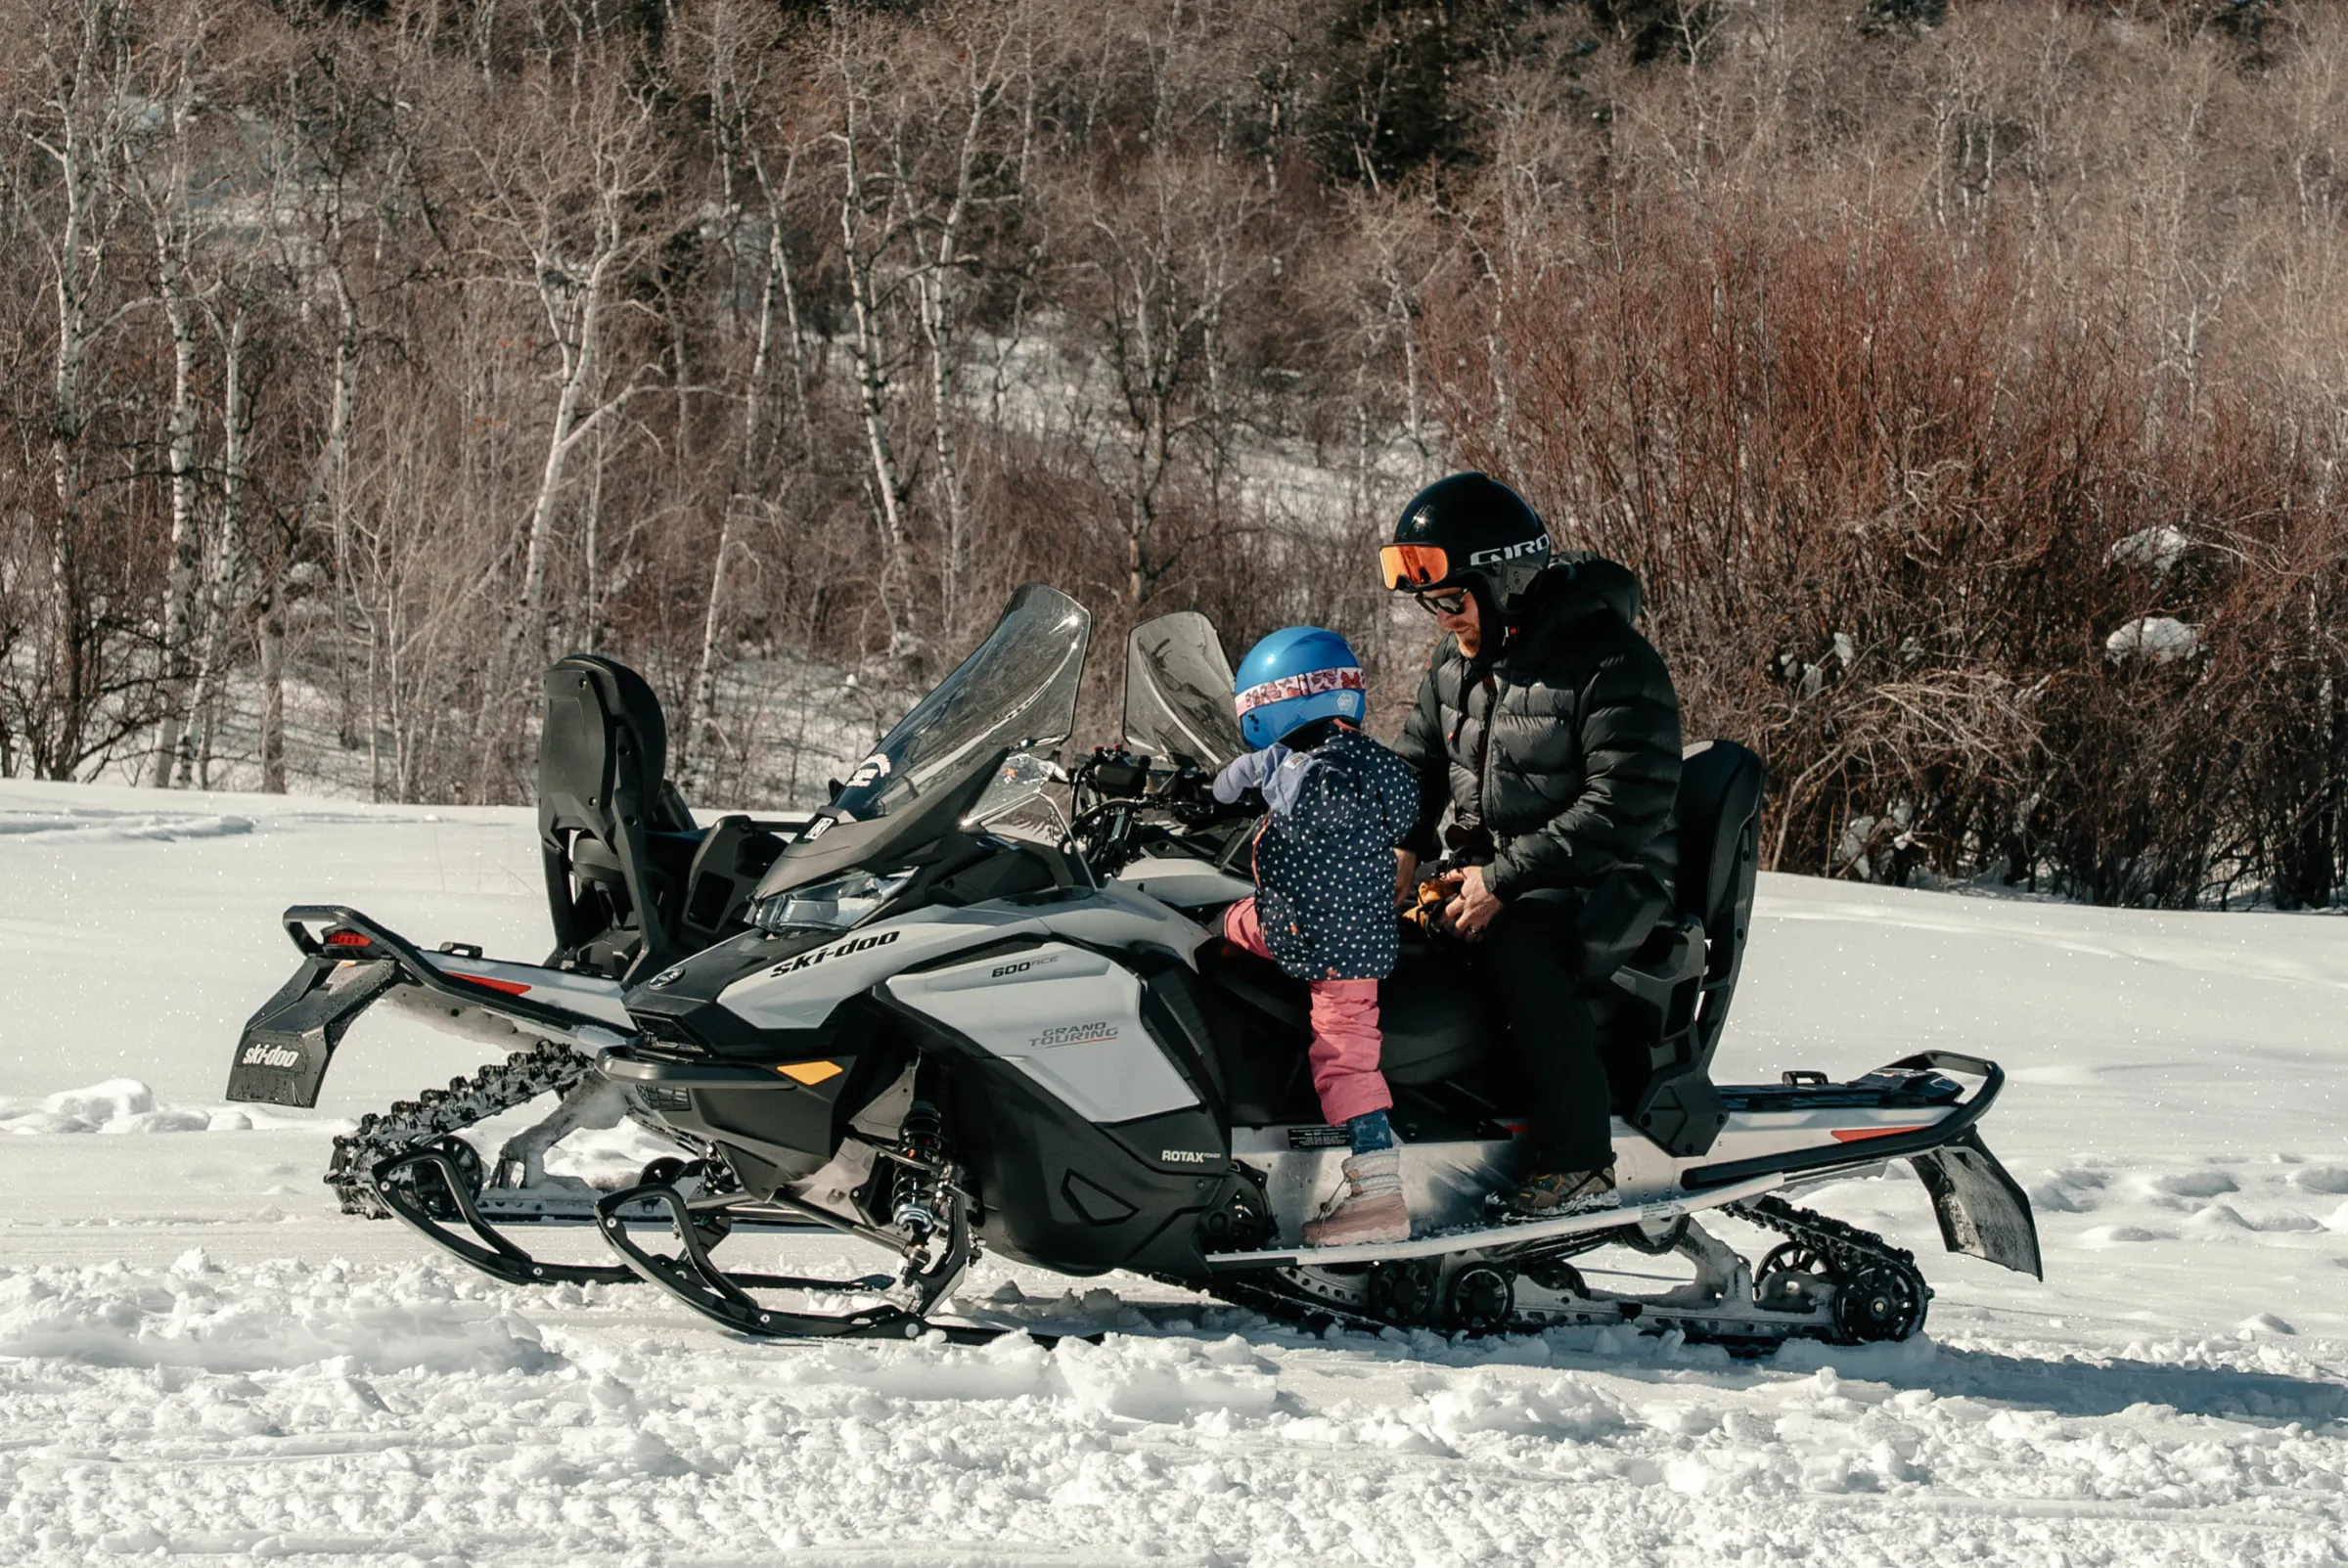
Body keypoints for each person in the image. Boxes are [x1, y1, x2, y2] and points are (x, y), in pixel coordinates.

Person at [1382, 471, 1682, 1218]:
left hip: (1603, 880)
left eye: (1452, 599)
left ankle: (1578, 1160)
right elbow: (1414, 766)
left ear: (1504, 581)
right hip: (1497, 869)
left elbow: (1625, 804)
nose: (1442, 618)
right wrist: (1398, 849)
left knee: (1518, 945)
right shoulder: (1455, 667)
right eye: (1431, 603)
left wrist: (1504, 880)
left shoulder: (1611, 664)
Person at [1211, 627, 1421, 1245]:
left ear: (1273, 705)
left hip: (1319, 943)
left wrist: (1251, 772)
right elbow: (1402, 808)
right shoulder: (1376, 762)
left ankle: (1379, 1197)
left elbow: (1278, 795)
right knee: (1213, 921)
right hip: (1342, 929)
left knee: (1344, 1060)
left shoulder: (1307, 772)